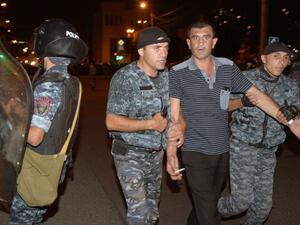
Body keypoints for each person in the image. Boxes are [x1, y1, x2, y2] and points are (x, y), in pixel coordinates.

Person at [166, 21, 287, 225]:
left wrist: (290, 120)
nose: (201, 42)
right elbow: (174, 115)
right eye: (195, 37)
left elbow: (257, 95)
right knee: (209, 214)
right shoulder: (178, 72)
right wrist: (171, 153)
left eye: (206, 37)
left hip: (222, 150)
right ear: (188, 43)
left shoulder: (228, 68)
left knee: (208, 203)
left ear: (214, 42)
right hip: (194, 150)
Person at [9, 19, 88, 225]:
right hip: (53, 166)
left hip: (36, 170)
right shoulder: (71, 81)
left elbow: (35, 136)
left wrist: (13, 126)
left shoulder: (49, 84)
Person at [106, 26, 184, 225]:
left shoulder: (167, 76)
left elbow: (173, 116)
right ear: (141, 51)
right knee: (139, 215)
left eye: (166, 47)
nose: (164, 53)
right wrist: (151, 123)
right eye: (157, 47)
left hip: (155, 154)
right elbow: (111, 121)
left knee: (152, 214)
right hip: (128, 153)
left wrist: (172, 154)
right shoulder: (125, 78)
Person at [217, 41, 299, 225]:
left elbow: (297, 109)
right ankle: (209, 210)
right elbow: (222, 105)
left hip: (269, 151)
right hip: (242, 146)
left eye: (285, 58)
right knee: (240, 202)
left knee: (262, 209)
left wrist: (293, 111)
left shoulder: (290, 86)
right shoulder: (244, 79)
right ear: (264, 58)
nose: (281, 61)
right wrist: (241, 102)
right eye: (276, 56)